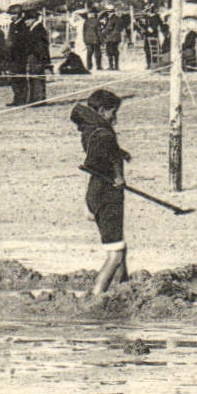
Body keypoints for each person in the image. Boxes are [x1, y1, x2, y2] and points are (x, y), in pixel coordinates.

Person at [71, 88, 130, 296]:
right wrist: (119, 176)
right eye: (113, 112)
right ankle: (97, 296)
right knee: (115, 254)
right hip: (107, 195)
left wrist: (120, 152)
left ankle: (123, 288)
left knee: (119, 246)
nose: (115, 118)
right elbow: (105, 157)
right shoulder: (104, 134)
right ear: (103, 110)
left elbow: (102, 153)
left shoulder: (91, 129)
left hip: (95, 192)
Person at [23, 9, 51, 106]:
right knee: (33, 77)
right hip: (33, 57)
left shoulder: (39, 29)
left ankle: (39, 99)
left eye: (27, 20)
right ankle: (34, 98)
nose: (25, 22)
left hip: (37, 57)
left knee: (37, 78)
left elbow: (41, 46)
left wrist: (40, 58)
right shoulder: (33, 29)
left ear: (33, 19)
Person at [6, 11, 32, 106]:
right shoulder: (12, 25)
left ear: (18, 15)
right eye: (10, 14)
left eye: (13, 14)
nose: (11, 16)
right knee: (14, 79)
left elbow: (23, 42)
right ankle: (17, 98)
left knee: (20, 78)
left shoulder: (22, 25)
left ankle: (22, 98)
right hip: (12, 56)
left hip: (20, 57)